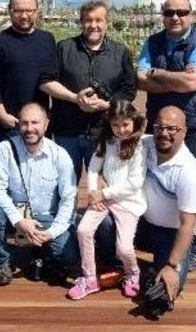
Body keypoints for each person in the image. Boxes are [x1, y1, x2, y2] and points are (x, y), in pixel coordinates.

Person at [0, 103, 79, 286]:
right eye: (24, 123)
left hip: (46, 217)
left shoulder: (60, 155)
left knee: (68, 255)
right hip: (15, 213)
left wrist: (51, 232)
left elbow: (68, 199)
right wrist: (19, 220)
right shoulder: (5, 148)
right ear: (18, 124)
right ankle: (3, 261)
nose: (29, 128)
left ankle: (36, 252)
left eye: (35, 123)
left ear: (46, 124)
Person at [40, 0, 136, 176]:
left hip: (104, 131)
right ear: (81, 22)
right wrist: (75, 98)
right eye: (88, 20)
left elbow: (129, 90)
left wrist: (108, 104)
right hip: (67, 131)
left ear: (107, 23)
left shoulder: (120, 52)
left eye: (99, 20)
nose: (94, 25)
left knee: (104, 181)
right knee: (65, 184)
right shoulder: (64, 48)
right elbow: (46, 82)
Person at [67, 99, 147, 301]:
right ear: (109, 124)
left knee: (124, 248)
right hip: (104, 198)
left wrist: (104, 193)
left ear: (134, 122)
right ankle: (89, 278)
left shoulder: (139, 147)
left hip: (128, 202)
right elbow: (93, 168)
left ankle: (133, 273)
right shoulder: (107, 142)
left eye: (125, 124)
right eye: (115, 125)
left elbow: (134, 183)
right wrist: (94, 191)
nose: (121, 130)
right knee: (83, 230)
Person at [136, 106, 196, 309]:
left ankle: (175, 260)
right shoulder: (143, 143)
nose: (164, 133)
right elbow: (112, 150)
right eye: (159, 127)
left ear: (184, 132)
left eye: (171, 129)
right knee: (105, 223)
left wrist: (171, 265)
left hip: (171, 233)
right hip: (140, 222)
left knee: (168, 287)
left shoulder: (190, 172)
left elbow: (188, 224)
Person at [136, 0, 196, 159]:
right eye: (169, 12)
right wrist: (179, 81)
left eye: (181, 12)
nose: (175, 17)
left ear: (191, 16)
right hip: (158, 122)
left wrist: (157, 73)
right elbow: (140, 79)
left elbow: (191, 83)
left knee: (187, 173)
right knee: (154, 170)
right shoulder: (152, 42)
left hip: (191, 123)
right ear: (163, 17)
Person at [0, 0, 56, 143]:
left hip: (39, 123)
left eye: (29, 10)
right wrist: (1, 113)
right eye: (18, 11)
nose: (24, 16)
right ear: (10, 11)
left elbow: (53, 79)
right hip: (11, 123)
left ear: (36, 11)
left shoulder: (47, 39)